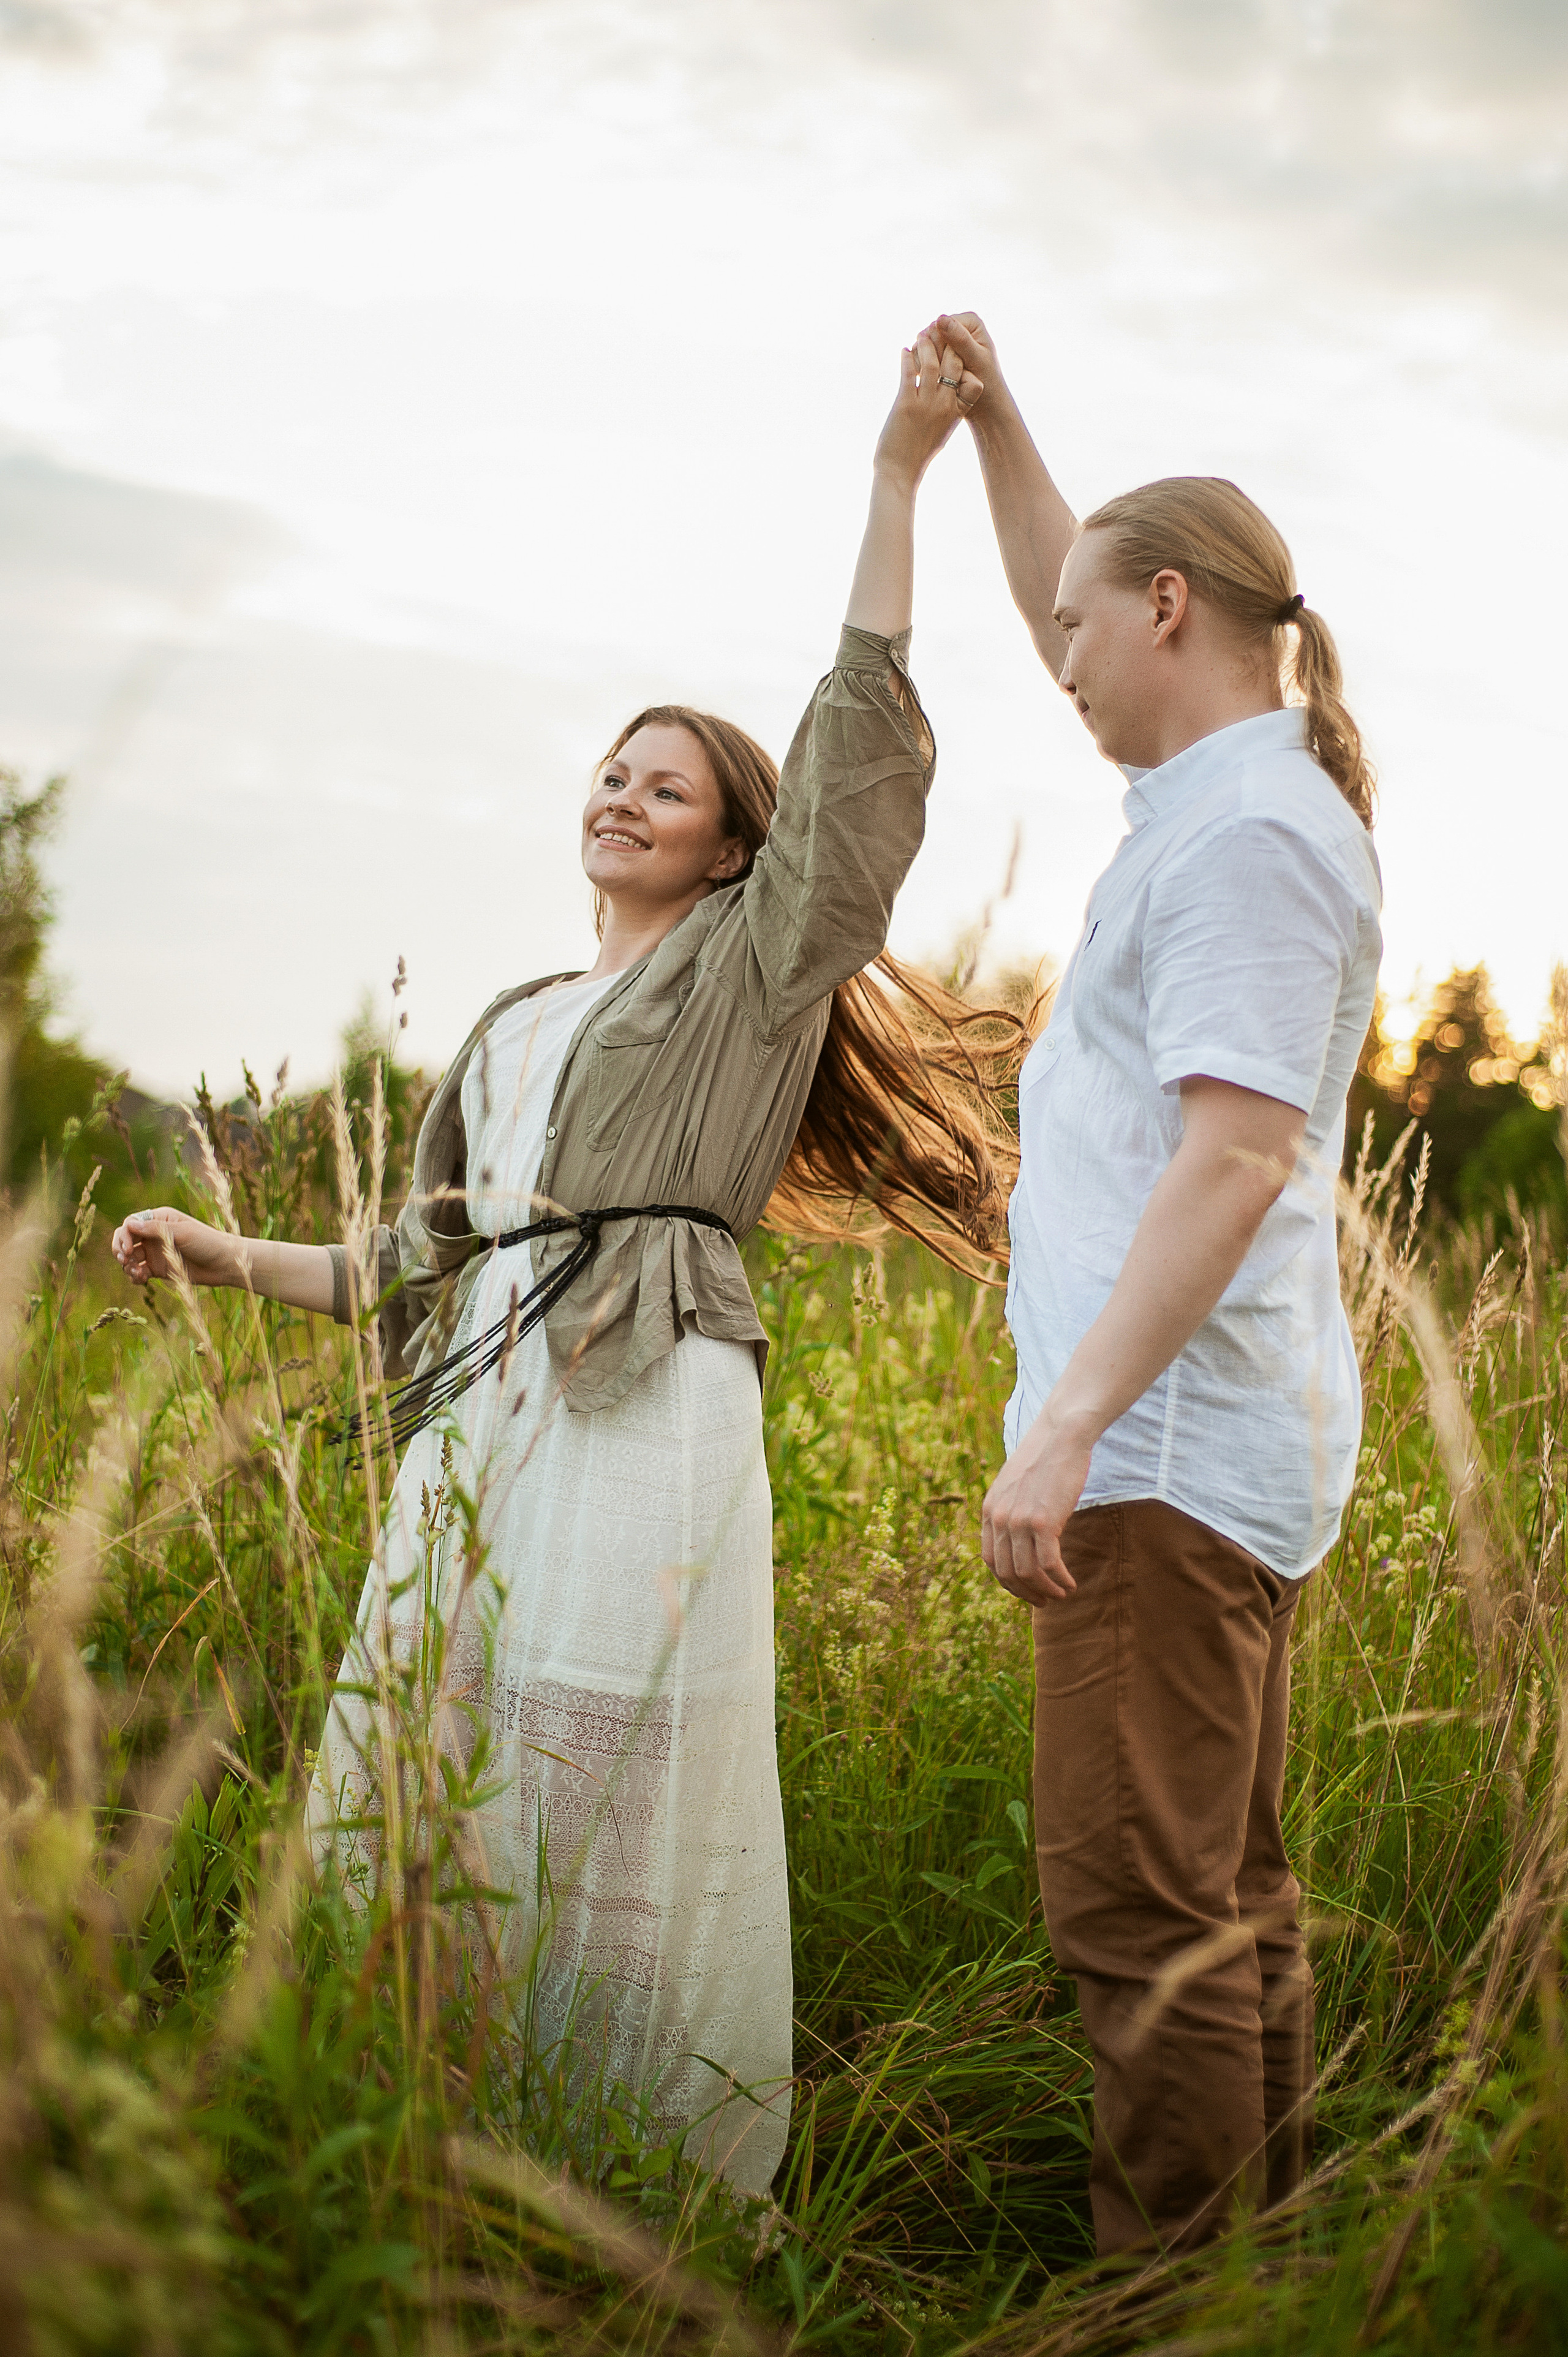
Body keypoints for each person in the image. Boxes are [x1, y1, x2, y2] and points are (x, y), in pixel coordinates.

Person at [111, 330, 1030, 2198]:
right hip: (487, 1424)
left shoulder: (751, 971)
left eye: (666, 789)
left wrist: (895, 476)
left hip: (642, 1394)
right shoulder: (517, 1019)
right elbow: (417, 1266)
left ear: (733, 851)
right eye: (611, 774)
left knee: (601, 1760)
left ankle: (623, 2163)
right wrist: (218, 1250)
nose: (622, 797)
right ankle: (430, 2118)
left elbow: (856, 779)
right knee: (442, 1736)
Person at [929, 312, 1382, 2253]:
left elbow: (1234, 1158)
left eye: (1084, 633)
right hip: (1198, 1458)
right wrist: (996, 426)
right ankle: (1255, 2293)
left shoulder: (1253, 839)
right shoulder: (1231, 805)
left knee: (1143, 1918)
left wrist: (1070, 1429)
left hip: (1163, 1466)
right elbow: (1078, 579)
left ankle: (1166, 2309)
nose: (1062, 663)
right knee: (1221, 1907)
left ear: (1173, 611)